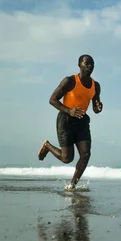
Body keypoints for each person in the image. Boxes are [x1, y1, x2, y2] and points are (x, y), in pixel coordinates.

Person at [37, 54, 103, 190]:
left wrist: (98, 107)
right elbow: (52, 99)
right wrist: (69, 111)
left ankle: (72, 185)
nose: (90, 66)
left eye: (92, 64)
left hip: (82, 121)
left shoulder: (95, 86)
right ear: (79, 65)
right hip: (66, 120)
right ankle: (48, 146)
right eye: (87, 63)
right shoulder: (70, 81)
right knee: (67, 159)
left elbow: (95, 108)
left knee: (85, 154)